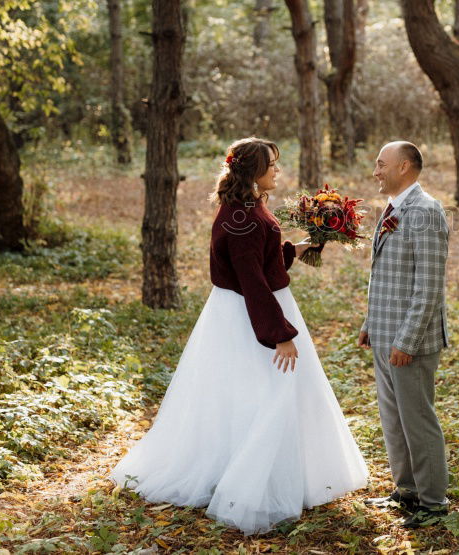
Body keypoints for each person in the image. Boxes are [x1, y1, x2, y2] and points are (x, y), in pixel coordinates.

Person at [109, 137, 368, 535]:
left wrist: (295, 250)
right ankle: (249, 481)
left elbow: (260, 262)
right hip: (248, 317)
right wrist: (279, 333)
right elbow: (251, 282)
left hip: (254, 306)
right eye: (272, 165)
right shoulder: (241, 216)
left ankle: (278, 471)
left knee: (264, 393)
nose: (277, 171)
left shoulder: (248, 208)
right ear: (252, 171)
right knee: (263, 392)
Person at [358, 141, 451, 529]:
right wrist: (370, 323)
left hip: (409, 342)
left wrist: (406, 341)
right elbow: (386, 274)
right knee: (393, 418)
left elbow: (428, 288)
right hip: (384, 332)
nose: (376, 170)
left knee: (417, 419)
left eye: (382, 164)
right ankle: (407, 490)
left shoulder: (426, 212)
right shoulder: (394, 208)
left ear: (406, 167)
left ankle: (433, 503)